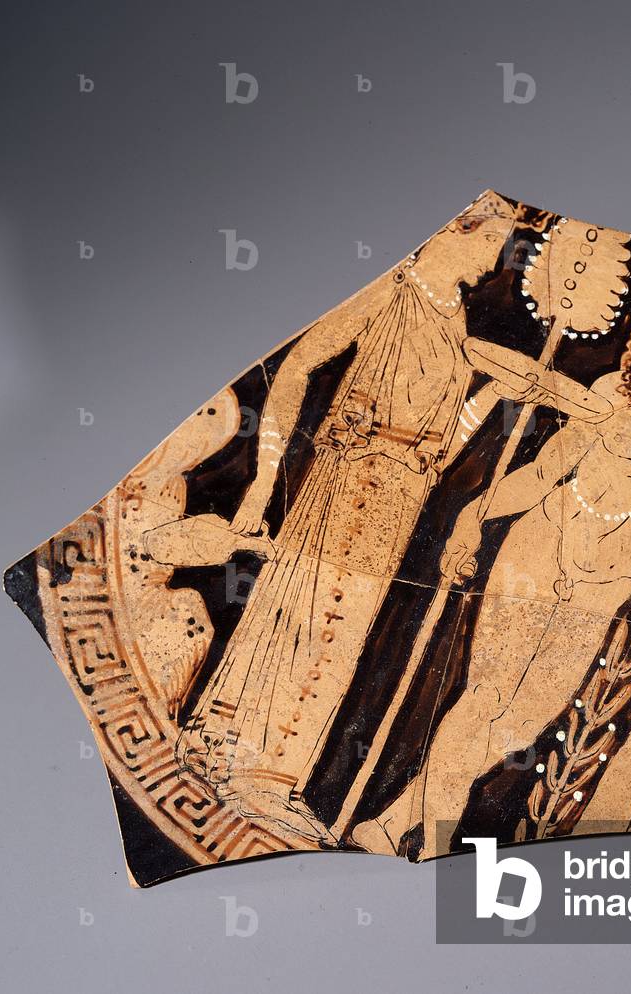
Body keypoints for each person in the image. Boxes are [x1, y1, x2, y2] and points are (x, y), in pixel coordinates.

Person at [356, 261, 631, 858]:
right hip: (540, 548)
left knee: (518, 726)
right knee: (484, 700)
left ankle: (396, 819)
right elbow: (545, 473)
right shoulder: (614, 394)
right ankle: (436, 852)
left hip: (606, 585)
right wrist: (472, 516)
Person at [173, 191, 534, 842]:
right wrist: (261, 479)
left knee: (344, 634)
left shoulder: (454, 321)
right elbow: (297, 371)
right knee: (307, 614)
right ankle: (229, 752)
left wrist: (492, 397)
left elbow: (441, 438)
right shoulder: (392, 289)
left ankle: (276, 775)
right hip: (352, 481)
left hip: (399, 497)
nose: (491, 264)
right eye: (488, 244)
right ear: (456, 229)